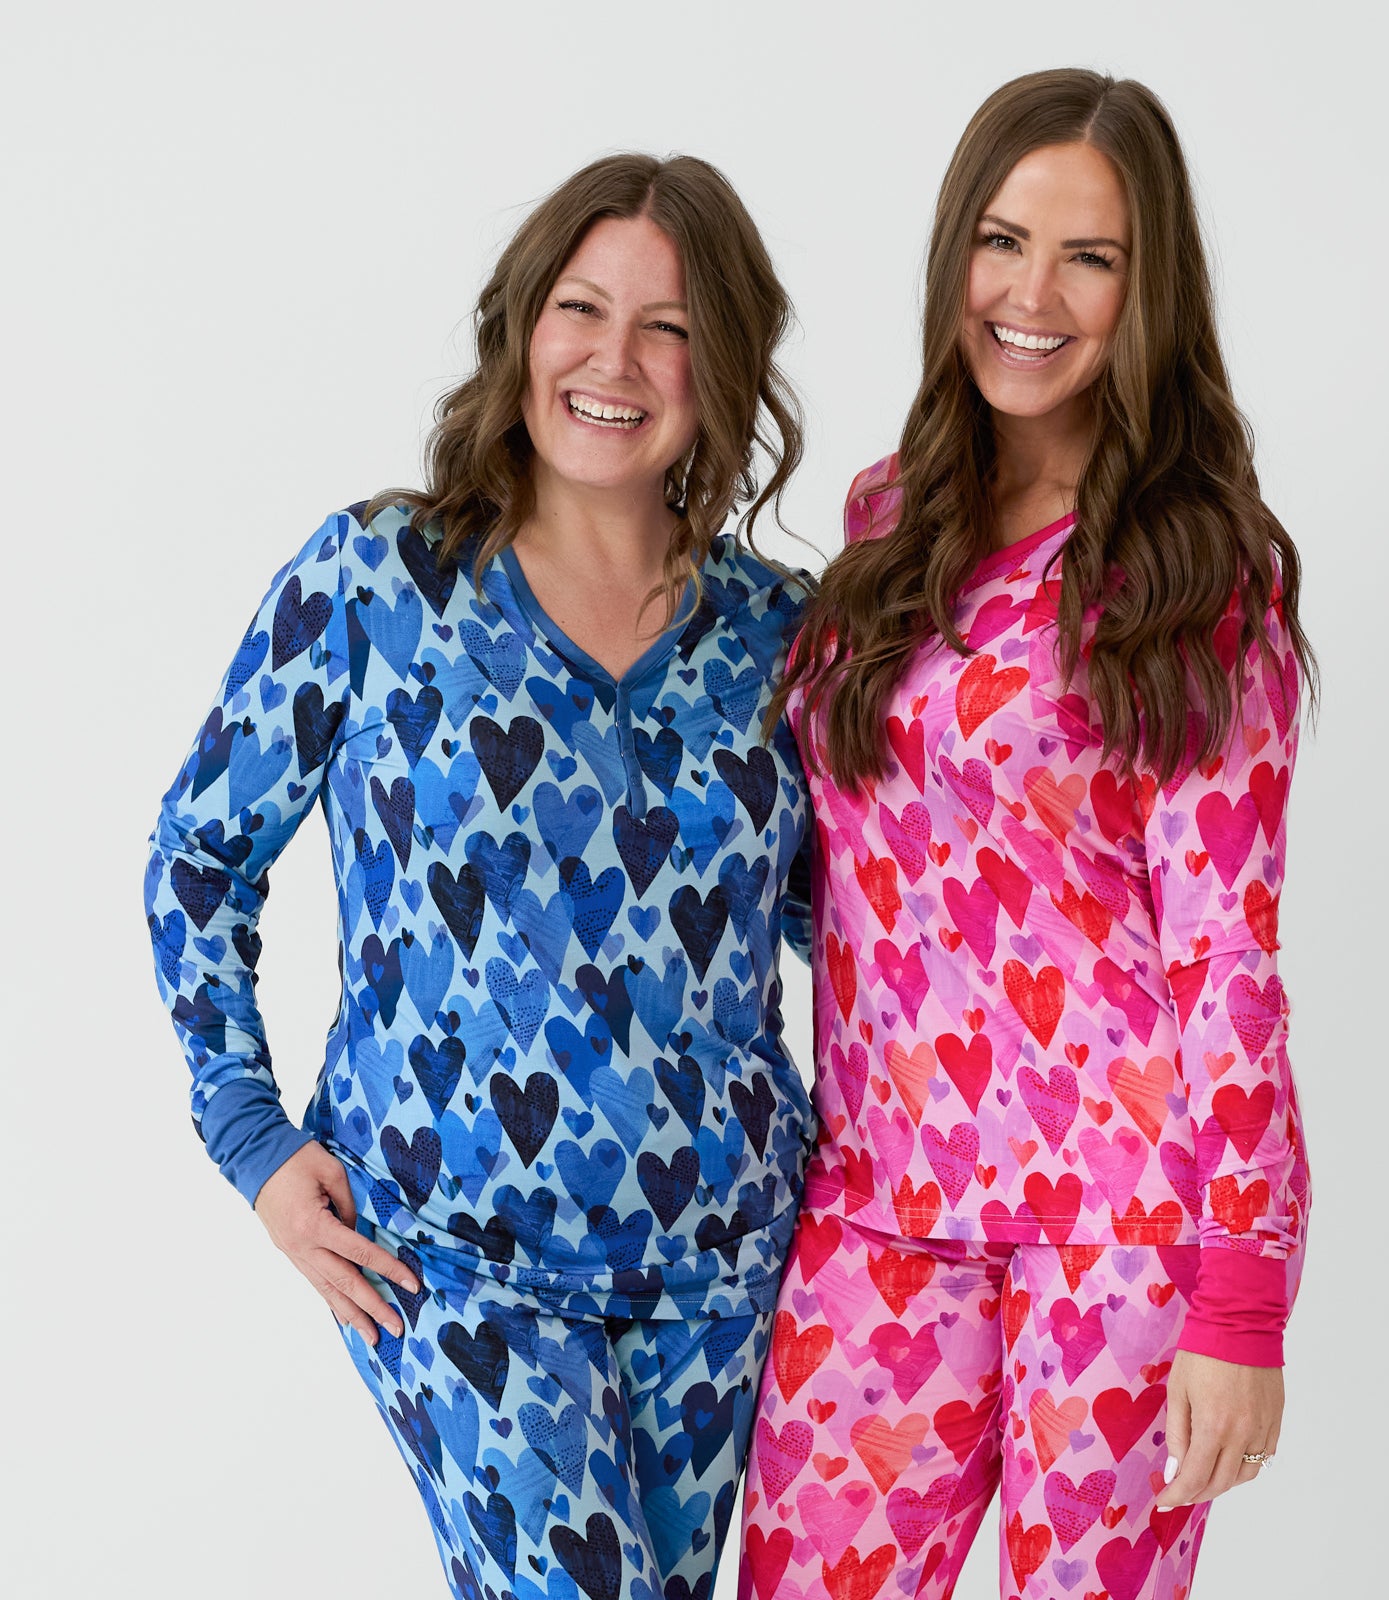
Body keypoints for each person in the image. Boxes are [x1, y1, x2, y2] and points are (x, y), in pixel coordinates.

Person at [145, 152, 816, 1600]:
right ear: (523, 328)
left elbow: (876, 927)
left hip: (724, 1269)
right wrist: (250, 1138)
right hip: (452, 1256)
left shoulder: (784, 638)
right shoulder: (379, 580)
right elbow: (201, 853)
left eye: (672, 327)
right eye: (583, 308)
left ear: (727, 367)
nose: (616, 360)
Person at [738, 69, 1315, 1600]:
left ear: (1151, 293)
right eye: (1003, 241)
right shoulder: (884, 522)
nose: (1033, 295)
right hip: (875, 1204)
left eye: (1093, 258)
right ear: (954, 256)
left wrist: (1242, 1303)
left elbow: (1224, 950)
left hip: (1123, 1232)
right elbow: (842, 873)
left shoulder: (1200, 573)